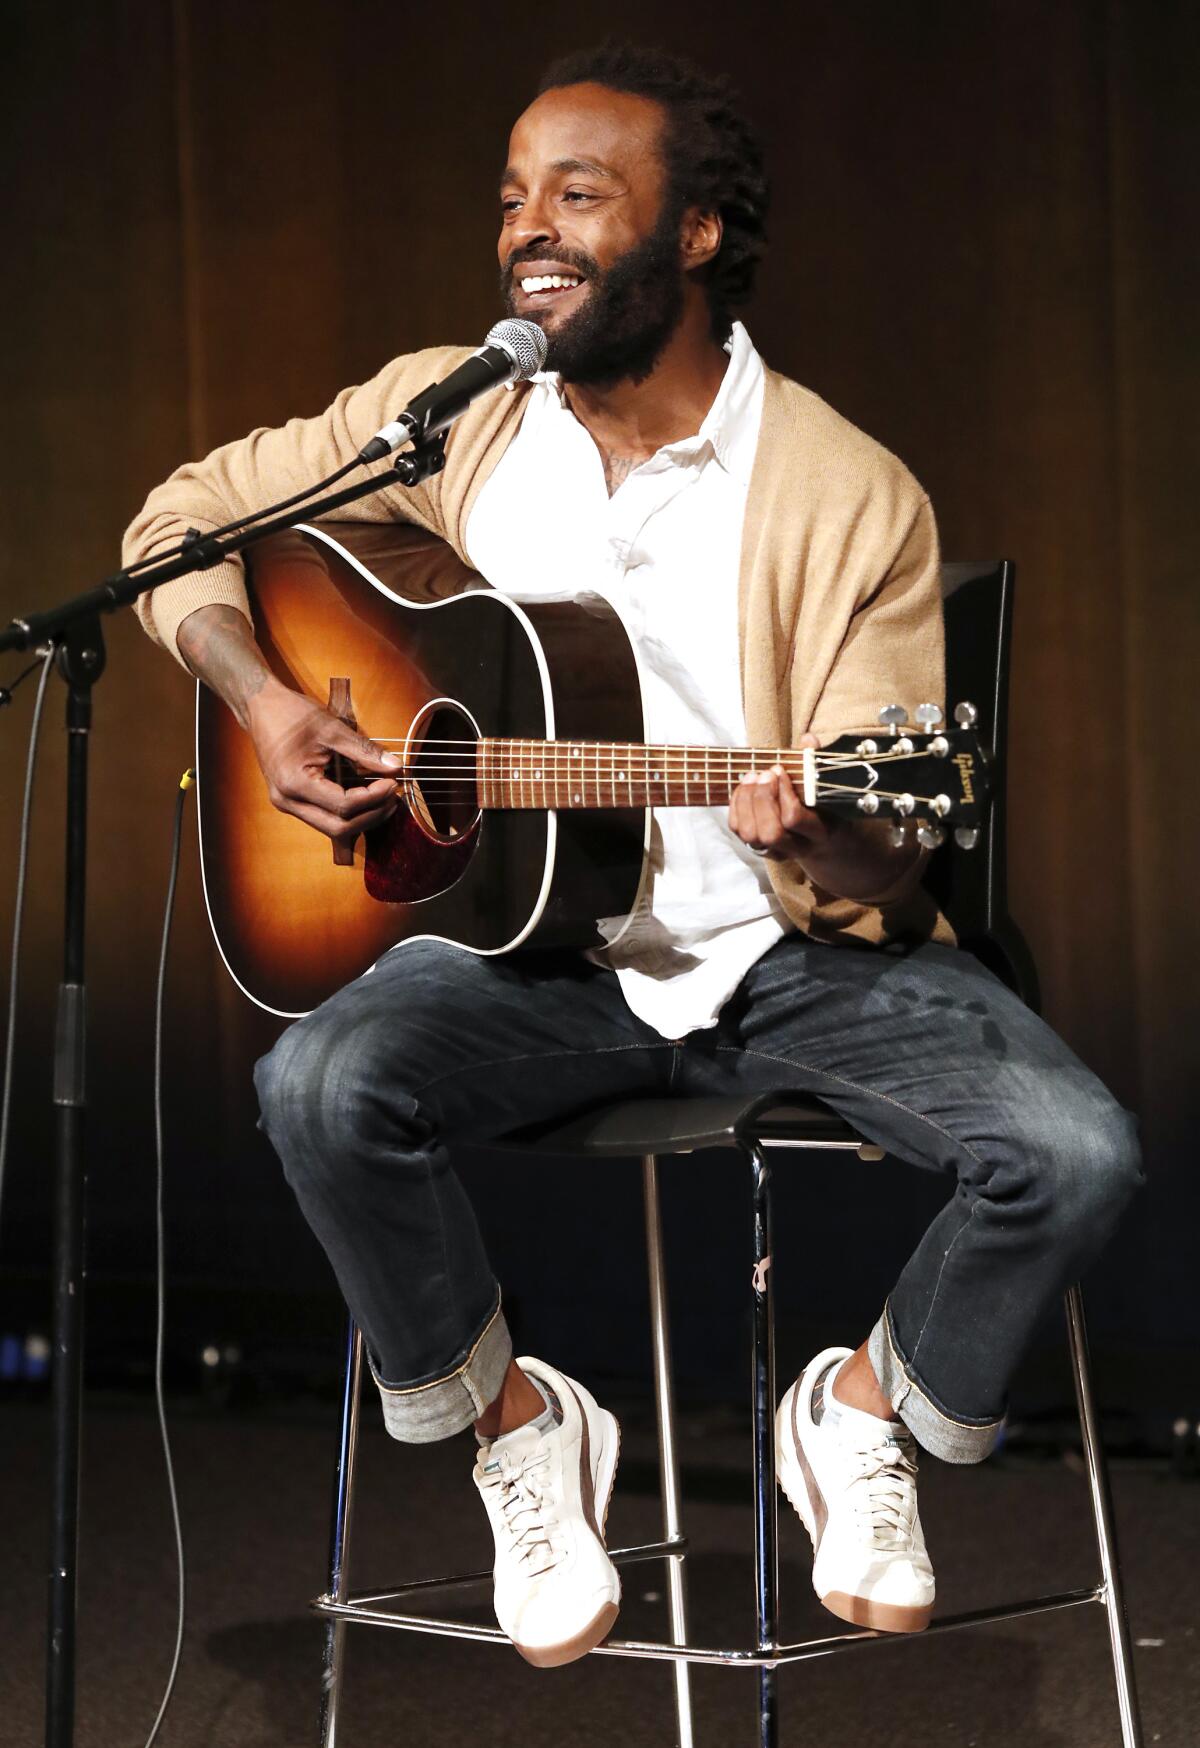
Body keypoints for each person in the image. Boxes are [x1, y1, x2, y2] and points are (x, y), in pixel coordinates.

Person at [124, 42, 1141, 1665]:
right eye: (515, 196)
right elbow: (179, 521)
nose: (531, 228)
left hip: (790, 958)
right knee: (319, 1085)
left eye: (580, 195)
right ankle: (521, 1428)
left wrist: (835, 830)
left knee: (1072, 1150)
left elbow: (889, 857)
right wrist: (256, 701)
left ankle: (865, 1408)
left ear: (698, 235)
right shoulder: (440, 418)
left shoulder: (847, 492)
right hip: (536, 960)